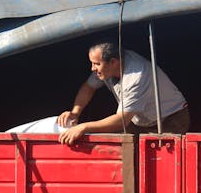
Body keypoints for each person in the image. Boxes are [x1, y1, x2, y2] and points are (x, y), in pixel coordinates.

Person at [58, 41, 189, 145]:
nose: (92, 68)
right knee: (127, 158)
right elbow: (88, 87)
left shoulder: (136, 76)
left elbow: (121, 120)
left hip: (170, 119)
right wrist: (75, 113)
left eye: (96, 64)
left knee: (159, 165)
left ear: (113, 62)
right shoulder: (107, 67)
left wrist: (84, 127)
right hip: (138, 120)